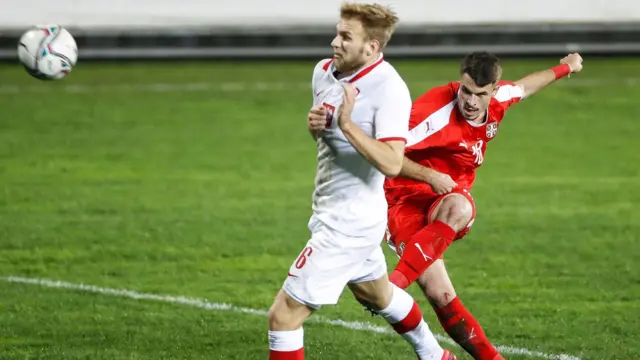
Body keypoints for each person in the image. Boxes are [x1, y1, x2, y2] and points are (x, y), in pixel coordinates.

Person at [267, 2, 456, 360]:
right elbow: (331, 144)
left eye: (345, 37)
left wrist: (347, 125)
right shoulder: (323, 72)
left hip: (349, 224)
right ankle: (436, 356)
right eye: (337, 32)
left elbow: (391, 161)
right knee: (378, 294)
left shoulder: (389, 89)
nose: (334, 43)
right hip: (334, 210)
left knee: (284, 316)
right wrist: (317, 128)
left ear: (372, 47)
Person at [383, 51, 584, 360]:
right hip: (403, 199)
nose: (471, 101)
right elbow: (384, 154)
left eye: (480, 94)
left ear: (492, 91)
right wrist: (429, 175)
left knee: (459, 208)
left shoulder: (498, 100)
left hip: (444, 199)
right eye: (465, 91)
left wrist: (565, 67)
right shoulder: (431, 113)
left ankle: (393, 287)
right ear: (459, 82)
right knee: (440, 293)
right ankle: (394, 289)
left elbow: (525, 87)